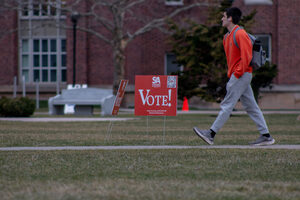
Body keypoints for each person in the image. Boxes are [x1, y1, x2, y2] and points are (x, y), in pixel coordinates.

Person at [193, 7, 275, 146]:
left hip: (241, 75)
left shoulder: (240, 34)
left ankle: (210, 134)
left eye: (224, 16)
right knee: (252, 107)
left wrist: (236, 75)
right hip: (239, 75)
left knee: (227, 105)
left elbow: (247, 57)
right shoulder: (226, 37)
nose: (222, 19)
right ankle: (266, 136)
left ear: (230, 18)